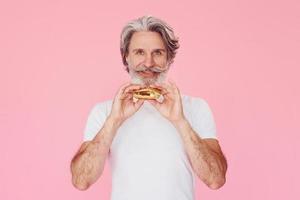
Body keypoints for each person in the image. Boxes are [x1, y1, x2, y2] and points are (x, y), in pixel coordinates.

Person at [70, 15, 227, 200]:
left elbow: (216, 179)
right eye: (139, 52)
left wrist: (180, 120)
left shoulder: (196, 108)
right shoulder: (104, 112)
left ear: (169, 58)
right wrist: (114, 120)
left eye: (158, 53)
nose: (149, 63)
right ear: (126, 57)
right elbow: (81, 180)